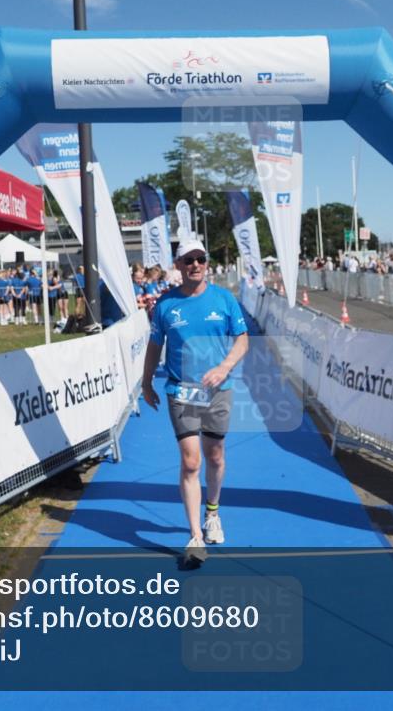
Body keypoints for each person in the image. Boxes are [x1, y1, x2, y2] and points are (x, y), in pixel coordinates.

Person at [141, 240, 249, 564]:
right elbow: (154, 346)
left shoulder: (224, 299)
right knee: (191, 462)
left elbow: (242, 340)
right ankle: (195, 536)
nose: (195, 265)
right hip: (180, 391)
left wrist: (224, 367)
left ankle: (212, 513)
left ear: (207, 262)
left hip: (218, 390)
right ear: (178, 265)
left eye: (200, 259)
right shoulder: (166, 304)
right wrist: (146, 382)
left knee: (215, 456)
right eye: (188, 260)